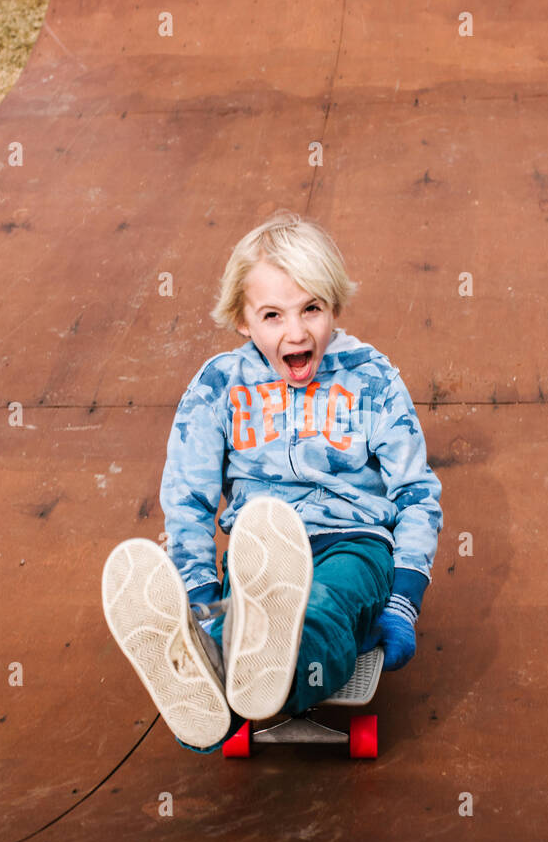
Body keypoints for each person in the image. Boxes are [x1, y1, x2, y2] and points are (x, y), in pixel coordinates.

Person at [102, 210, 443, 752]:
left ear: (334, 305)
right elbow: (186, 499)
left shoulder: (371, 376)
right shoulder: (218, 387)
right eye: (273, 315)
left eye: (312, 309)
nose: (296, 331)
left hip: (351, 542)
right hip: (259, 556)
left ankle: (261, 662)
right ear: (242, 319)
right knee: (243, 612)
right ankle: (209, 659)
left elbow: (416, 493)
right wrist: (197, 588)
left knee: (324, 608)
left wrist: (403, 599)